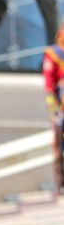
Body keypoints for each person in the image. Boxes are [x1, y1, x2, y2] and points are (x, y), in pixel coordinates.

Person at [44, 25, 63, 192]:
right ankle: (60, 182)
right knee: (58, 142)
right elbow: (49, 84)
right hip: (61, 106)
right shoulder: (53, 54)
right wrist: (54, 109)